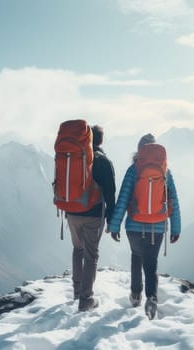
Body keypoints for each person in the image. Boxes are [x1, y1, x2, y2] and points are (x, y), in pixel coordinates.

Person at [108, 133, 181, 319]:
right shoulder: (166, 172)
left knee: (136, 258)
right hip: (157, 226)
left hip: (134, 225)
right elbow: (174, 200)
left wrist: (114, 225)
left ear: (140, 150)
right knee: (151, 263)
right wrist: (175, 228)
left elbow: (123, 197)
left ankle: (135, 294)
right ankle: (152, 298)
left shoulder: (133, 170)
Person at [66, 125, 116, 312]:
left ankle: (77, 290)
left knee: (77, 249)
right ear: (101, 140)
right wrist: (112, 219)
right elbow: (110, 193)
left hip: (71, 212)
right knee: (91, 254)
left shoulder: (74, 158)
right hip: (93, 213)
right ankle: (86, 299)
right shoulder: (103, 161)